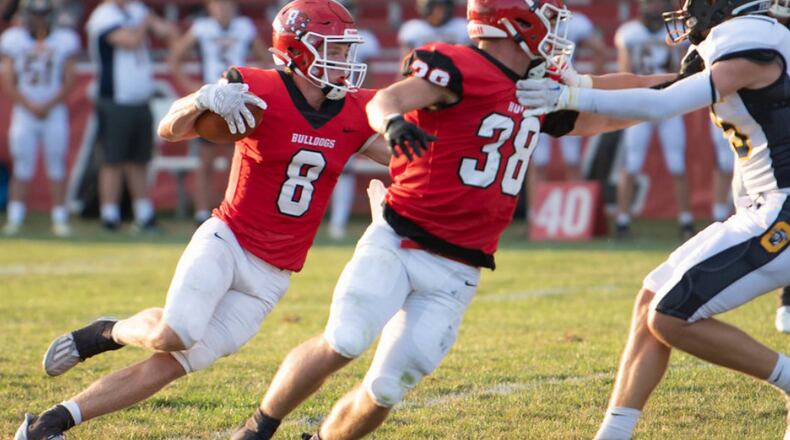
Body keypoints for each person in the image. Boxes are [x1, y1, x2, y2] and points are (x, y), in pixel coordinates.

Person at [229, 1, 645, 439]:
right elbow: (389, 98)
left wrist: (691, 84)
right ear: (515, 21)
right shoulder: (459, 65)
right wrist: (391, 123)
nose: (557, 26)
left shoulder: (542, 86)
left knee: (386, 388)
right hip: (400, 238)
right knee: (346, 339)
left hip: (460, 265)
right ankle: (257, 429)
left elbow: (617, 95)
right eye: (546, 13)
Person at [14, 1, 389, 439]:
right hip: (228, 239)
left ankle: (51, 423)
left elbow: (405, 157)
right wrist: (200, 99)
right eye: (334, 49)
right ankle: (105, 332)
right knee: (176, 333)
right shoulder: (256, 87)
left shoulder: (353, 110)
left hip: (273, 276)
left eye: (345, 50)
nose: (344, 60)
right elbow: (169, 130)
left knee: (173, 365)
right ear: (298, 51)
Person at [517, 0, 790, 438]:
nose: (688, 9)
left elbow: (664, 105)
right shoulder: (735, 42)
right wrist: (577, 87)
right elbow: (652, 86)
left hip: (782, 213)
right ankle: (613, 434)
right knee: (651, 300)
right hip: (761, 209)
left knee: (669, 315)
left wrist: (572, 97)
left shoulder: (757, 38)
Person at [169, 0, 270, 226]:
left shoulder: (244, 26)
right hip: (211, 102)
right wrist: (192, 89)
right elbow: (175, 57)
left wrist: (253, 86)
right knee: (205, 160)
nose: (223, 9)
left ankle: (229, 209)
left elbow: (265, 59)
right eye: (218, 4)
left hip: (237, 99)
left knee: (237, 160)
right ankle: (201, 211)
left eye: (227, 5)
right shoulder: (202, 27)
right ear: (210, 7)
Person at [86, 0, 176, 231]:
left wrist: (150, 22)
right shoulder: (103, 16)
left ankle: (143, 213)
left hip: (140, 98)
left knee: (139, 159)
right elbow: (130, 41)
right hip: (116, 99)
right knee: (112, 159)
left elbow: (168, 31)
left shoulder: (136, 10)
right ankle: (109, 215)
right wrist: (145, 22)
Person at [612, 0, 694, 239]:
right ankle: (622, 221)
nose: (655, 7)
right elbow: (624, 73)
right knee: (632, 163)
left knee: (677, 162)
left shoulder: (674, 30)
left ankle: (686, 221)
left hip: (668, 100)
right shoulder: (629, 33)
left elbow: (681, 67)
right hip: (641, 102)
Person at [1, 0, 78, 237]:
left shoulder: (64, 39)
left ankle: (59, 218)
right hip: (25, 112)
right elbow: (8, 79)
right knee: (22, 166)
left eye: (44, 15)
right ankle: (15, 217)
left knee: (56, 165)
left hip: (53, 111)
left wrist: (48, 104)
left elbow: (69, 78)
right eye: (36, 14)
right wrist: (29, 104)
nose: (40, 20)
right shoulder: (13, 39)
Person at [529, 10, 607, 187]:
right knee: (539, 160)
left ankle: (572, 211)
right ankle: (536, 212)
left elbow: (600, 50)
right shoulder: (531, 18)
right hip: (538, 91)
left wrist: (586, 83)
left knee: (571, 159)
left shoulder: (576, 23)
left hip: (564, 91)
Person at [327, 0, 382, 240]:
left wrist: (360, 107)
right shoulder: (322, 37)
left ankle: (338, 221)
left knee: (345, 168)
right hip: (322, 102)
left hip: (347, 103)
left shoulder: (366, 39)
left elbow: (367, 79)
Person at [397, 0, 468, 59]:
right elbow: (406, 59)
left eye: (442, 7)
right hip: (423, 72)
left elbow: (467, 58)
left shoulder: (461, 27)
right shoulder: (413, 29)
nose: (438, 11)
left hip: (454, 71)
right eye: (434, 7)